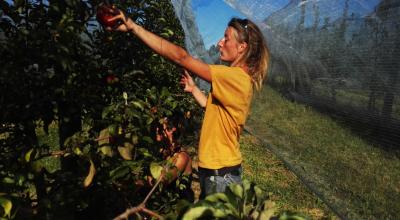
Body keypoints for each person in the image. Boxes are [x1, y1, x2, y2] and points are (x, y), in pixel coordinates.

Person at [108, 8, 270, 199]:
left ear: (242, 47)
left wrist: (134, 27)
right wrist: (194, 89)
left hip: (220, 174)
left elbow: (181, 57)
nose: (220, 43)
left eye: (226, 38)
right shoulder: (236, 80)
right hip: (217, 170)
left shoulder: (235, 77)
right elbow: (213, 110)